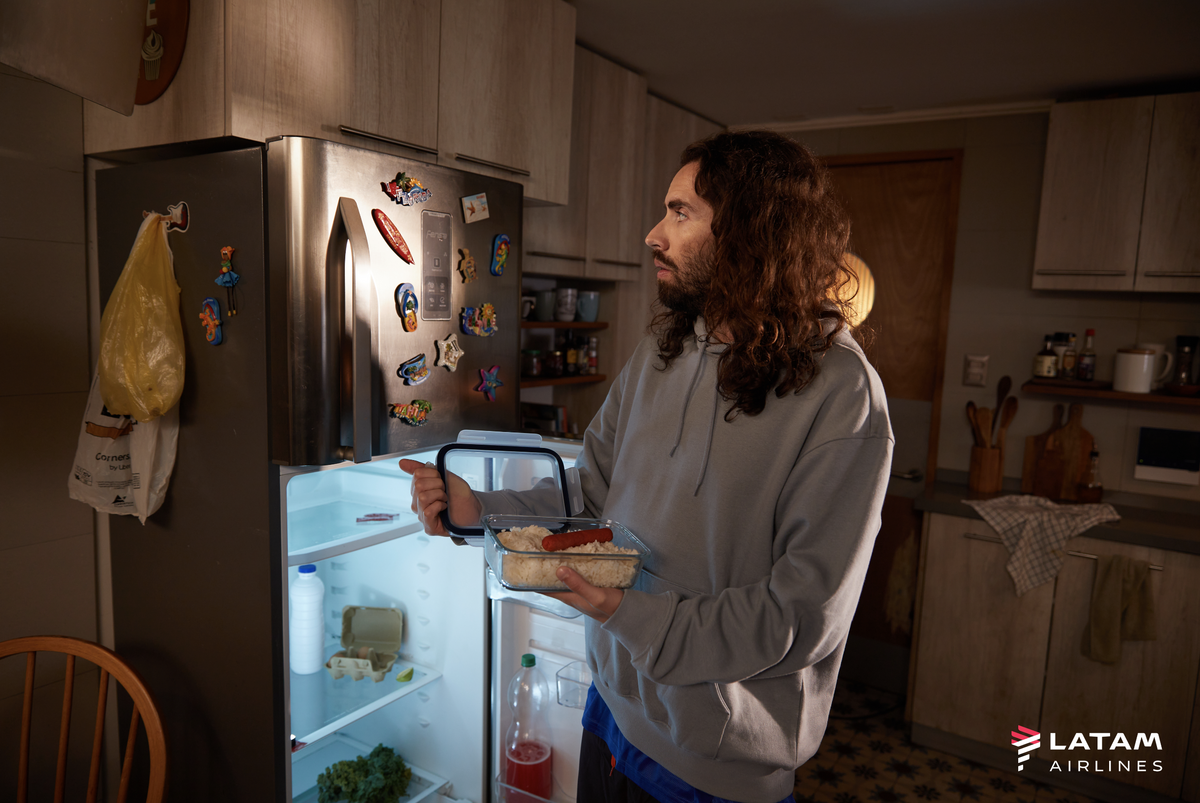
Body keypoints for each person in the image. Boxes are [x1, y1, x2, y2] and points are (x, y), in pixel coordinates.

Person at [400, 130, 893, 803]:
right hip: (612, 711)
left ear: (754, 232)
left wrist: (630, 615)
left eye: (681, 213)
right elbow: (589, 493)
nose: (653, 235)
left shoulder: (841, 394)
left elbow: (802, 613)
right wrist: (478, 511)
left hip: (715, 761)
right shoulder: (663, 353)